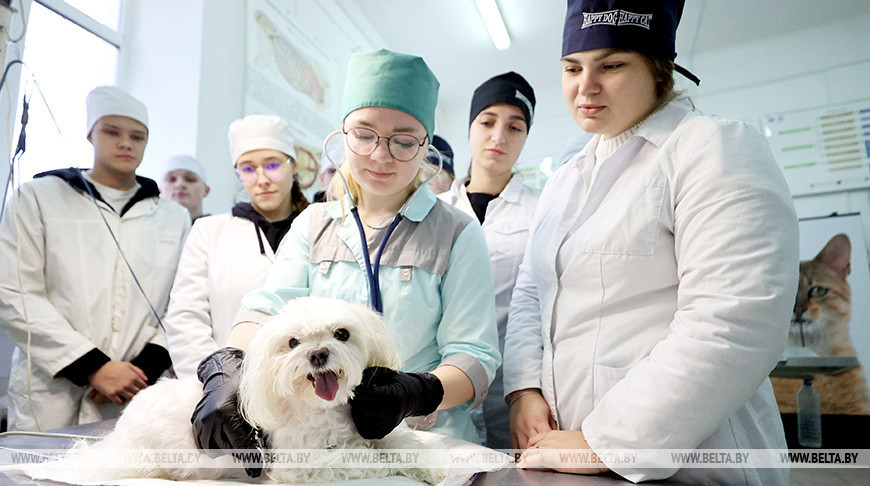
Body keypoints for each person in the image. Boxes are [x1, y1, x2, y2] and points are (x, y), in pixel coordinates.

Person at [504, 1, 798, 484]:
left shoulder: (714, 147)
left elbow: (736, 320)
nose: (586, 86)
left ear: (660, 71)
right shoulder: (563, 180)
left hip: (695, 463)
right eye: (572, 68)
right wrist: (524, 390)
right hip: (568, 450)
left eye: (612, 65)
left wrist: (608, 442)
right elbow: (531, 293)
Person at [190, 49, 500, 478]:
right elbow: (263, 310)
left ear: (427, 146)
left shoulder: (456, 233)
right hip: (326, 442)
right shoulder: (314, 223)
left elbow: (475, 355)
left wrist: (418, 392)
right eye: (364, 135)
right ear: (342, 136)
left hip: (426, 442)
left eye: (404, 141)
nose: (380, 156)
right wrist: (229, 369)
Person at [0, 86, 190, 431]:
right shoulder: (39, 197)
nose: (125, 143)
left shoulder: (173, 217)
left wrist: (140, 370)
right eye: (111, 131)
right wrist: (93, 367)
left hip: (134, 391)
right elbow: (13, 291)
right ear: (90, 133)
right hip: (51, 390)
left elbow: (180, 301)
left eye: (137, 136)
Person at [163, 115, 309, 380]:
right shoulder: (209, 232)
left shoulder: (319, 230)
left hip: (310, 389)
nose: (262, 179)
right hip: (229, 389)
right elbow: (185, 318)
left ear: (293, 165)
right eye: (248, 169)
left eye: (273, 165)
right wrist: (218, 381)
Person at [439, 71, 540, 450]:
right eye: (488, 122)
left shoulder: (542, 209)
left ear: (526, 138)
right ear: (470, 128)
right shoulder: (436, 212)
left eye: (515, 127)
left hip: (514, 389)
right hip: (446, 386)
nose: (499, 137)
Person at [158, 154, 211, 221]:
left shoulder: (220, 229)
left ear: (206, 190)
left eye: (190, 179)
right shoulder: (146, 228)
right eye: (171, 179)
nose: (180, 185)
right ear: (160, 190)